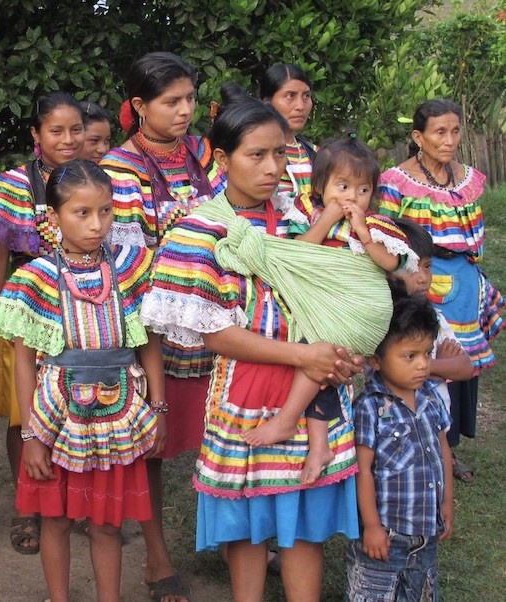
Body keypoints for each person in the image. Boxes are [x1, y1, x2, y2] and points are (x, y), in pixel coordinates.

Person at [141, 84, 361, 601]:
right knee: (246, 517)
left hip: (314, 387)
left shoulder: (298, 220)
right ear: (222, 157)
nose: (271, 167)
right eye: (256, 154)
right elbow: (216, 334)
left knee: (305, 516)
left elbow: (337, 295)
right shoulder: (199, 231)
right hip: (247, 391)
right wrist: (305, 355)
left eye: (280, 153)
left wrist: (343, 350)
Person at [0, 159, 166, 602]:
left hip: (119, 419)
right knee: (56, 519)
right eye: (81, 213)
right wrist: (30, 434)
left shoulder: (132, 267)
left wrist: (158, 408)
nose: (97, 224)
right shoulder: (36, 279)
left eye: (105, 211)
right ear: (53, 217)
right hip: (56, 419)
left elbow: (150, 345)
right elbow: (25, 363)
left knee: (108, 523)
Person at [99, 51, 214, 602]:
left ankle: (250, 537)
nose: (185, 110)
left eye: (190, 98)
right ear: (140, 106)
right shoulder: (118, 168)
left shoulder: (205, 154)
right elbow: (127, 259)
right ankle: (156, 558)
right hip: (156, 323)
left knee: (230, 425)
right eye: (172, 101)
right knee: (153, 444)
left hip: (217, 313)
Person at [238, 137, 418, 484]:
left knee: (316, 352)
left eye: (363, 189)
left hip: (360, 308)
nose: (352, 197)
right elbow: (297, 253)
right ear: (319, 186)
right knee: (326, 367)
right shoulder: (306, 213)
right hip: (326, 305)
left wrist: (364, 235)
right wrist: (327, 220)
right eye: (343, 186)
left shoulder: (375, 224)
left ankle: (287, 418)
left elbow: (393, 263)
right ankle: (320, 446)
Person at [0, 91, 85, 556]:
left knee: (78, 408)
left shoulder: (94, 179)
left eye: (76, 129)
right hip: (28, 314)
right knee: (23, 417)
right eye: (56, 130)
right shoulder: (12, 186)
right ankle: (26, 506)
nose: (68, 139)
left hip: (83, 313)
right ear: (36, 135)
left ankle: (69, 499)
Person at [378, 98, 505, 483]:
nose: (449, 140)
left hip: (464, 284)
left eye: (454, 131)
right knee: (423, 357)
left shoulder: (467, 178)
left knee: (462, 360)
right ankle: (420, 443)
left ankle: (450, 448)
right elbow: (387, 236)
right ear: (418, 136)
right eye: (439, 132)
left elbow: (474, 234)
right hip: (422, 281)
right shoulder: (396, 180)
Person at [346, 294, 454, 601]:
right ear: (376, 361)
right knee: (374, 592)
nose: (422, 365)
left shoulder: (432, 397)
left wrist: (446, 502)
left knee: (419, 591)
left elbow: (442, 452)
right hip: (386, 533)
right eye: (410, 356)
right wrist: (371, 526)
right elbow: (362, 470)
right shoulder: (370, 407)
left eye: (427, 354)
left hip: (425, 531)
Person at [388, 217, 474, 410]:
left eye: (427, 266)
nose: (423, 278)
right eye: (411, 267)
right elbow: (389, 371)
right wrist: (438, 366)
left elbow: (466, 368)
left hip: (436, 422)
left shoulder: (432, 316)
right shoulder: (382, 320)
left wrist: (428, 366)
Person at [261, 63, 318, 198]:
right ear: (268, 103)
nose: (300, 106)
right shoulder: (252, 153)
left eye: (306, 96)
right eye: (290, 96)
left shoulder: (317, 154)